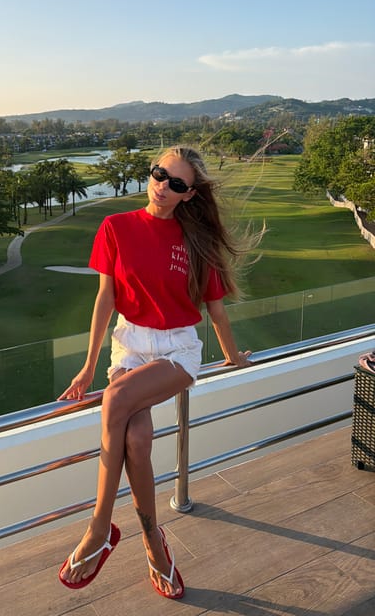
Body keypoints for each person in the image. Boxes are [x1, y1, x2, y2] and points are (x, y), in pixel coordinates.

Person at [57, 145, 258, 600]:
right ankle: (154, 543)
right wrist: (88, 366)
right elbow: (106, 299)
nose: (163, 186)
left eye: (177, 183)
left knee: (116, 400)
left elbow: (216, 312)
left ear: (190, 194)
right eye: (159, 174)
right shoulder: (116, 227)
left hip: (176, 350)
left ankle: (99, 529)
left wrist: (233, 357)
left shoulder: (196, 242)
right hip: (129, 345)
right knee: (137, 438)